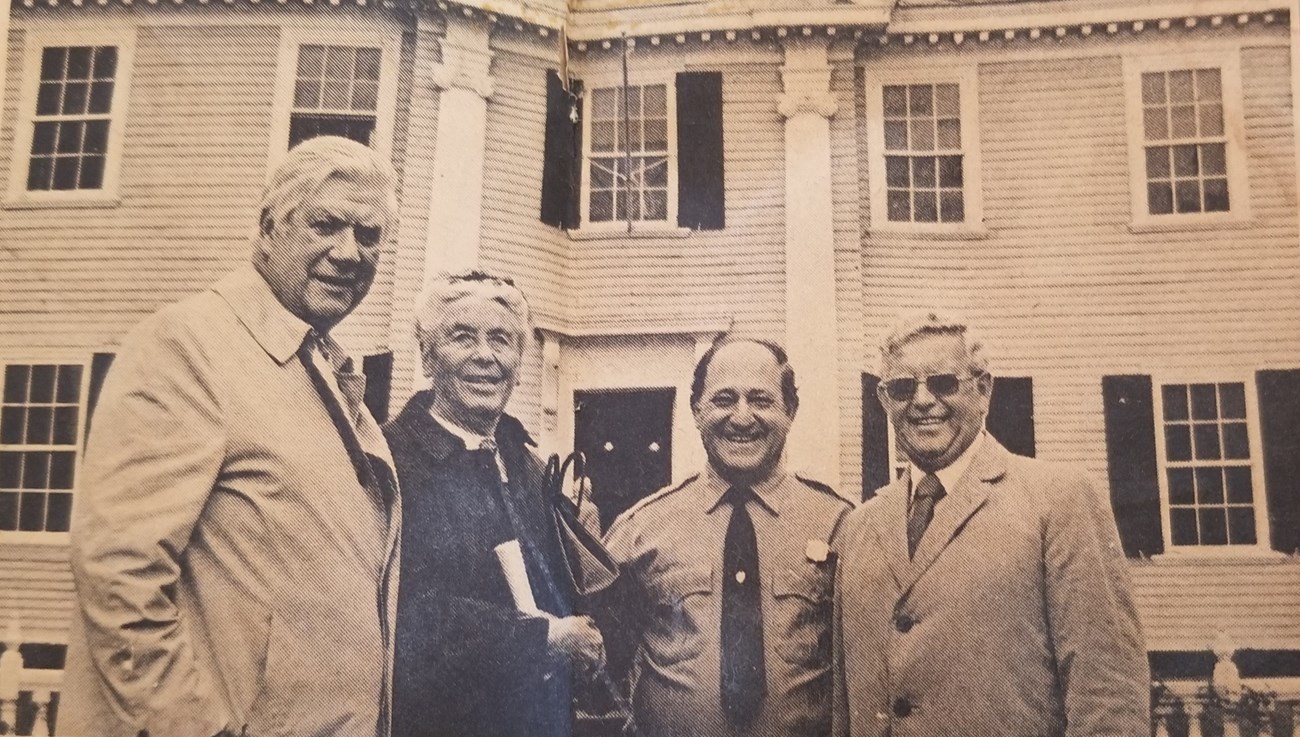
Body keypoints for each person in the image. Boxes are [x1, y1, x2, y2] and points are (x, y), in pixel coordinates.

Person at [62, 135, 403, 737]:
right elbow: (121, 575)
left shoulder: (321, 366)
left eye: (369, 235)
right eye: (326, 225)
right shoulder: (189, 347)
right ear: (270, 227)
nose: (349, 252)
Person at [831, 313, 1150, 737]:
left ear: (983, 390)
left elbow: (1108, 694)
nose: (922, 401)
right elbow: (844, 711)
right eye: (903, 388)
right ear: (884, 400)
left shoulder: (1059, 500)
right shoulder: (858, 527)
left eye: (943, 382)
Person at [384, 270, 605, 737]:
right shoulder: (390, 463)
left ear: (519, 362)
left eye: (501, 340)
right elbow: (404, 612)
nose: (485, 356)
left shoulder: (528, 465)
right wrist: (542, 641)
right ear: (427, 356)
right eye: (463, 337)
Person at [602, 338, 853, 737]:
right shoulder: (640, 530)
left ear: (790, 411)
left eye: (761, 400)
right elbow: (597, 661)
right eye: (723, 399)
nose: (741, 417)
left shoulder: (841, 527)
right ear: (696, 410)